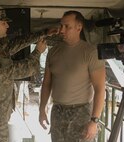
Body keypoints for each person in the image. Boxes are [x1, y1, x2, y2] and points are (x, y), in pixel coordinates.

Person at [0, 8, 57, 142]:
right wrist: (37, 53)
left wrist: (43, 33)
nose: (7, 25)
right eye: (4, 22)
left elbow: (16, 44)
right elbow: (17, 70)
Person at [39, 10, 106, 142]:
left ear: (79, 27)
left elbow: (100, 88)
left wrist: (94, 120)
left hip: (81, 112)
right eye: (61, 26)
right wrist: (42, 109)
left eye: (67, 26)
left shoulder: (90, 52)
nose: (62, 30)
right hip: (57, 111)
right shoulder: (53, 52)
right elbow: (46, 84)